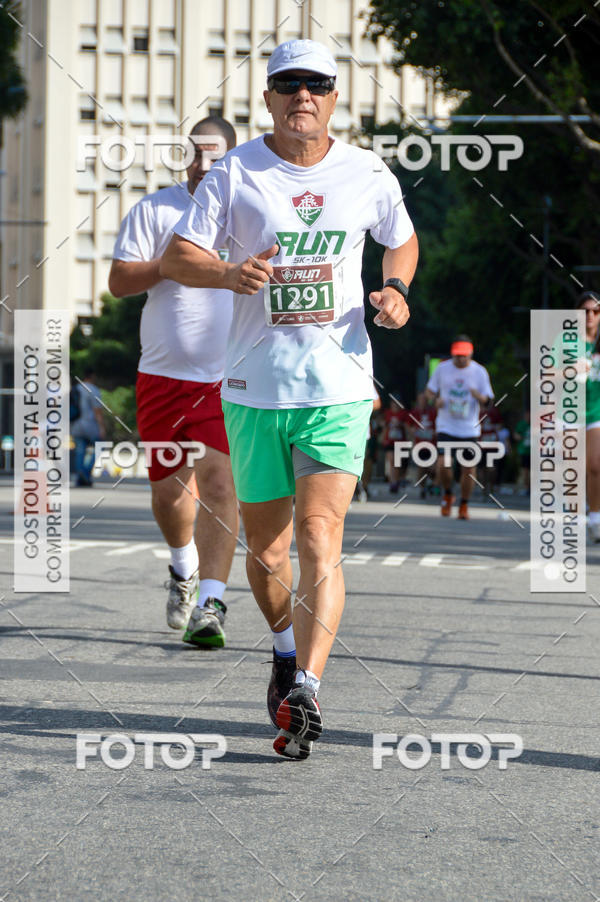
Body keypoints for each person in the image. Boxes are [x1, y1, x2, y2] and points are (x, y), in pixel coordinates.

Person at [161, 38, 418, 758]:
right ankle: (281, 650)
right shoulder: (236, 172)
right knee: (268, 552)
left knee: (318, 535)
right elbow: (180, 254)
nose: (302, 94)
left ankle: (307, 684)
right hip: (253, 389)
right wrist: (227, 274)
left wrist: (395, 289)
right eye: (288, 84)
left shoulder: (367, 171)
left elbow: (401, 240)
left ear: (334, 97)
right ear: (269, 97)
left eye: (316, 84)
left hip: (338, 387)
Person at [108, 117, 239, 646]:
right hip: (161, 377)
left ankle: (211, 604)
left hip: (225, 379)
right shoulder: (155, 210)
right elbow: (119, 281)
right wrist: (169, 264)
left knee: (219, 484)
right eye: (196, 154)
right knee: (169, 494)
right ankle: (183, 569)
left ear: (231, 160)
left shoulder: (245, 213)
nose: (204, 165)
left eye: (216, 156)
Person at [425, 335, 493, 520]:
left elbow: (488, 400)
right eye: (457, 355)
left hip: (469, 428)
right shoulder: (442, 368)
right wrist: (434, 400)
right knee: (443, 464)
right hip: (446, 425)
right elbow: (429, 392)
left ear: (470, 354)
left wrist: (479, 396)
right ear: (452, 354)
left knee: (468, 469)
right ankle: (448, 493)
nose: (460, 359)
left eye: (464, 356)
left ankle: (464, 504)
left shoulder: (479, 371)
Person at [575, 290, 600, 542]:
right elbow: (545, 375)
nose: (590, 315)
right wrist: (569, 370)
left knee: (595, 465)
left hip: (596, 411)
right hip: (570, 412)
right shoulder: (567, 341)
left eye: (596, 311)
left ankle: (595, 518)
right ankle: (576, 512)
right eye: (585, 311)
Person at [71, 369, 106, 486]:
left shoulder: (75, 389)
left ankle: (80, 476)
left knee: (80, 451)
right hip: (90, 425)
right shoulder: (93, 390)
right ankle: (85, 473)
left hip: (76, 425)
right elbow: (97, 411)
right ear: (93, 376)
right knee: (100, 447)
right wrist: (102, 427)